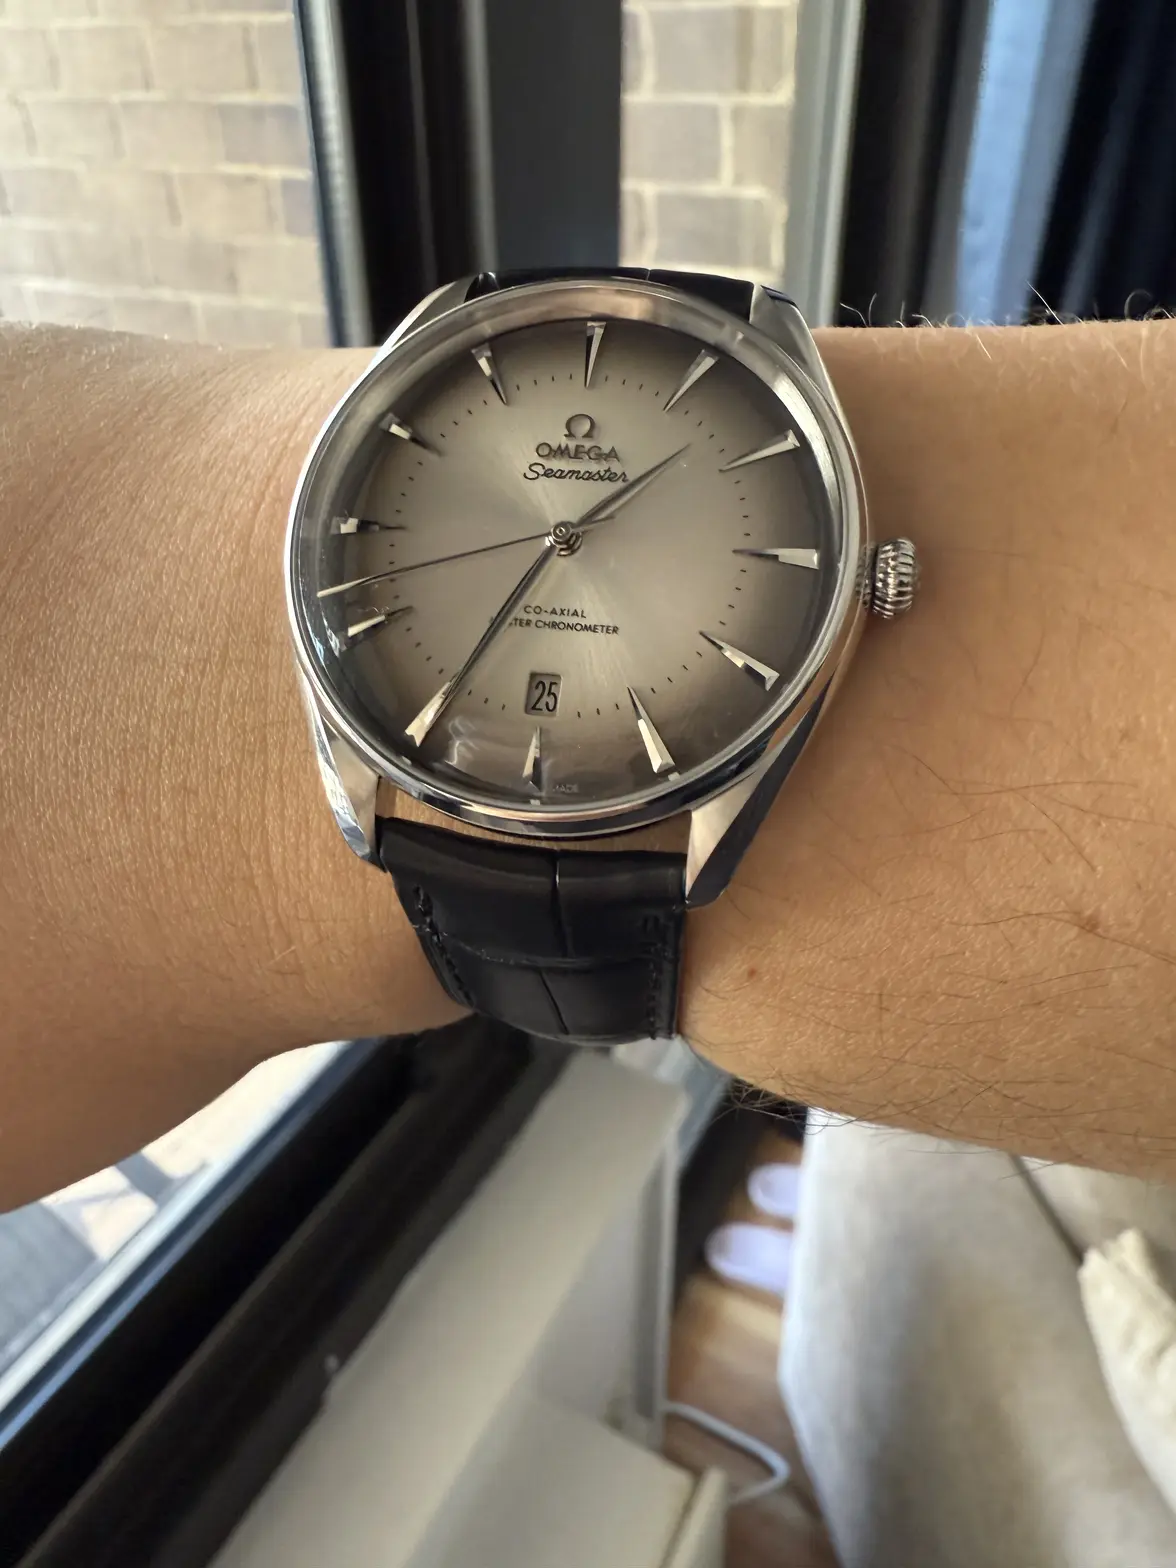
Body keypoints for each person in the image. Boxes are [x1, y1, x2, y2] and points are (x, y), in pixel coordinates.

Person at [2, 317, 1175, 1209]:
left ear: (883, 575)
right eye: (553, 522)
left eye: (575, 529)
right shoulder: (373, 754)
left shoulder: (848, 566)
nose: (562, 534)